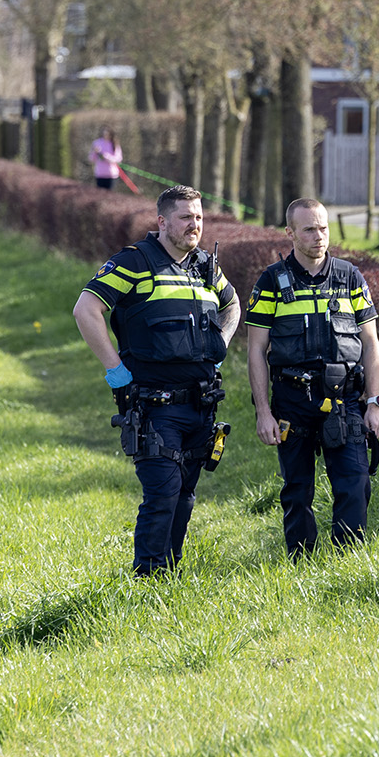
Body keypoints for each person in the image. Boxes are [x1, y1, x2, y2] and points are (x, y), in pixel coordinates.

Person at [71, 185, 240, 575]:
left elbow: (232, 303)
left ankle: (169, 573)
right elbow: (86, 309)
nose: (194, 225)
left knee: (184, 495)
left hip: (202, 403)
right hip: (153, 405)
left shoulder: (205, 266)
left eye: (198, 217)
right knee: (162, 494)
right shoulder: (136, 261)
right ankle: (146, 579)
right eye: (185, 217)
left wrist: (222, 340)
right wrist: (116, 373)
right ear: (162, 221)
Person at [245, 198, 379, 557]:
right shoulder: (272, 281)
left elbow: (371, 343)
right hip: (293, 402)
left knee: (355, 484)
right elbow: (256, 351)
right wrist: (263, 412)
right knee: (297, 490)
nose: (319, 236)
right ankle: (301, 560)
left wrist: (373, 402)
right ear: (290, 233)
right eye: (309, 229)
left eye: (323, 227)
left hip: (345, 401)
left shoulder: (349, 276)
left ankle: (347, 561)